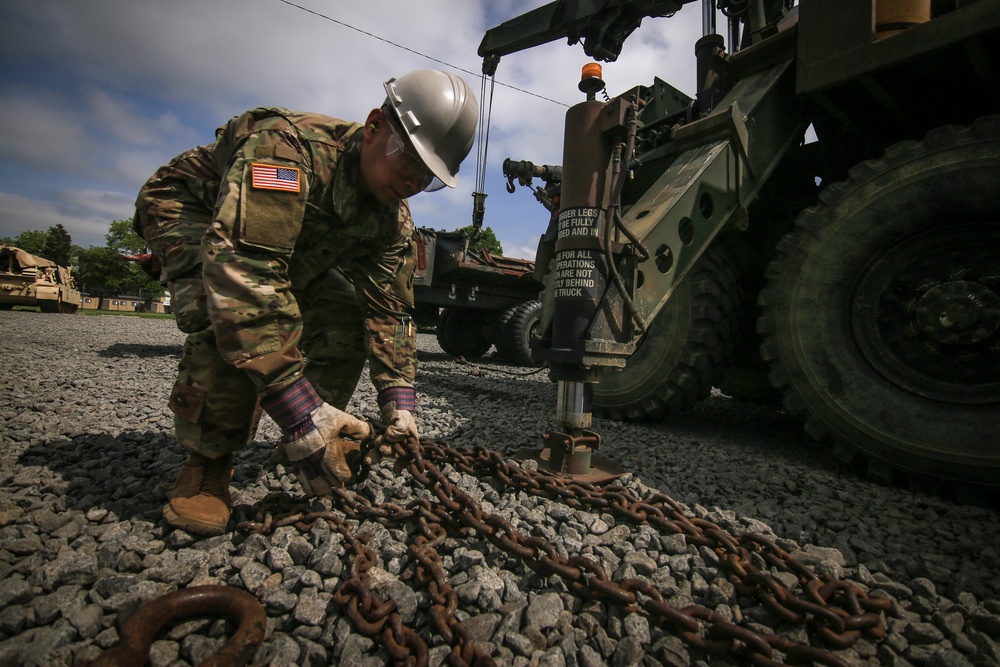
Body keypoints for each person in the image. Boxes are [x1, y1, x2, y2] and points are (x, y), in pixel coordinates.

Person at [132, 69, 478, 536]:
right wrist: (297, 408)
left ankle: (313, 430)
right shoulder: (288, 150)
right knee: (229, 313)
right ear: (374, 125)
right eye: (409, 158)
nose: (413, 180)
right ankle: (208, 463)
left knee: (344, 321)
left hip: (287, 248)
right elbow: (245, 275)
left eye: (429, 176)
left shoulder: (391, 221)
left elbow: (391, 310)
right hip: (193, 211)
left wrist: (399, 401)